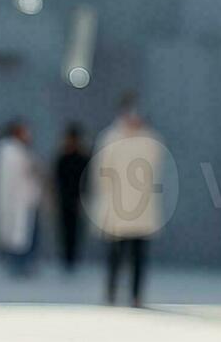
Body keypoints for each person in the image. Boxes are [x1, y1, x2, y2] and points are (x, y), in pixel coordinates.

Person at [92, 94, 165, 308]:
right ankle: (111, 291)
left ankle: (136, 295)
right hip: (117, 207)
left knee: (139, 256)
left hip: (142, 208)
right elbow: (101, 173)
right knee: (115, 255)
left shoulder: (151, 140)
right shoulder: (110, 138)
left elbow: (154, 169)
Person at [0, 120, 41, 277]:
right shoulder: (8, 151)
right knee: (17, 237)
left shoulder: (20, 150)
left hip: (27, 201)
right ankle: (18, 267)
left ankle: (24, 266)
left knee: (25, 236)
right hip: (16, 202)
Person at [52, 124, 90, 274]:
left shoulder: (83, 158)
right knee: (64, 230)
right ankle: (66, 259)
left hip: (78, 199)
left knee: (76, 230)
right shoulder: (62, 157)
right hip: (64, 199)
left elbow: (87, 178)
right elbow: (57, 179)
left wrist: (83, 196)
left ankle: (73, 259)